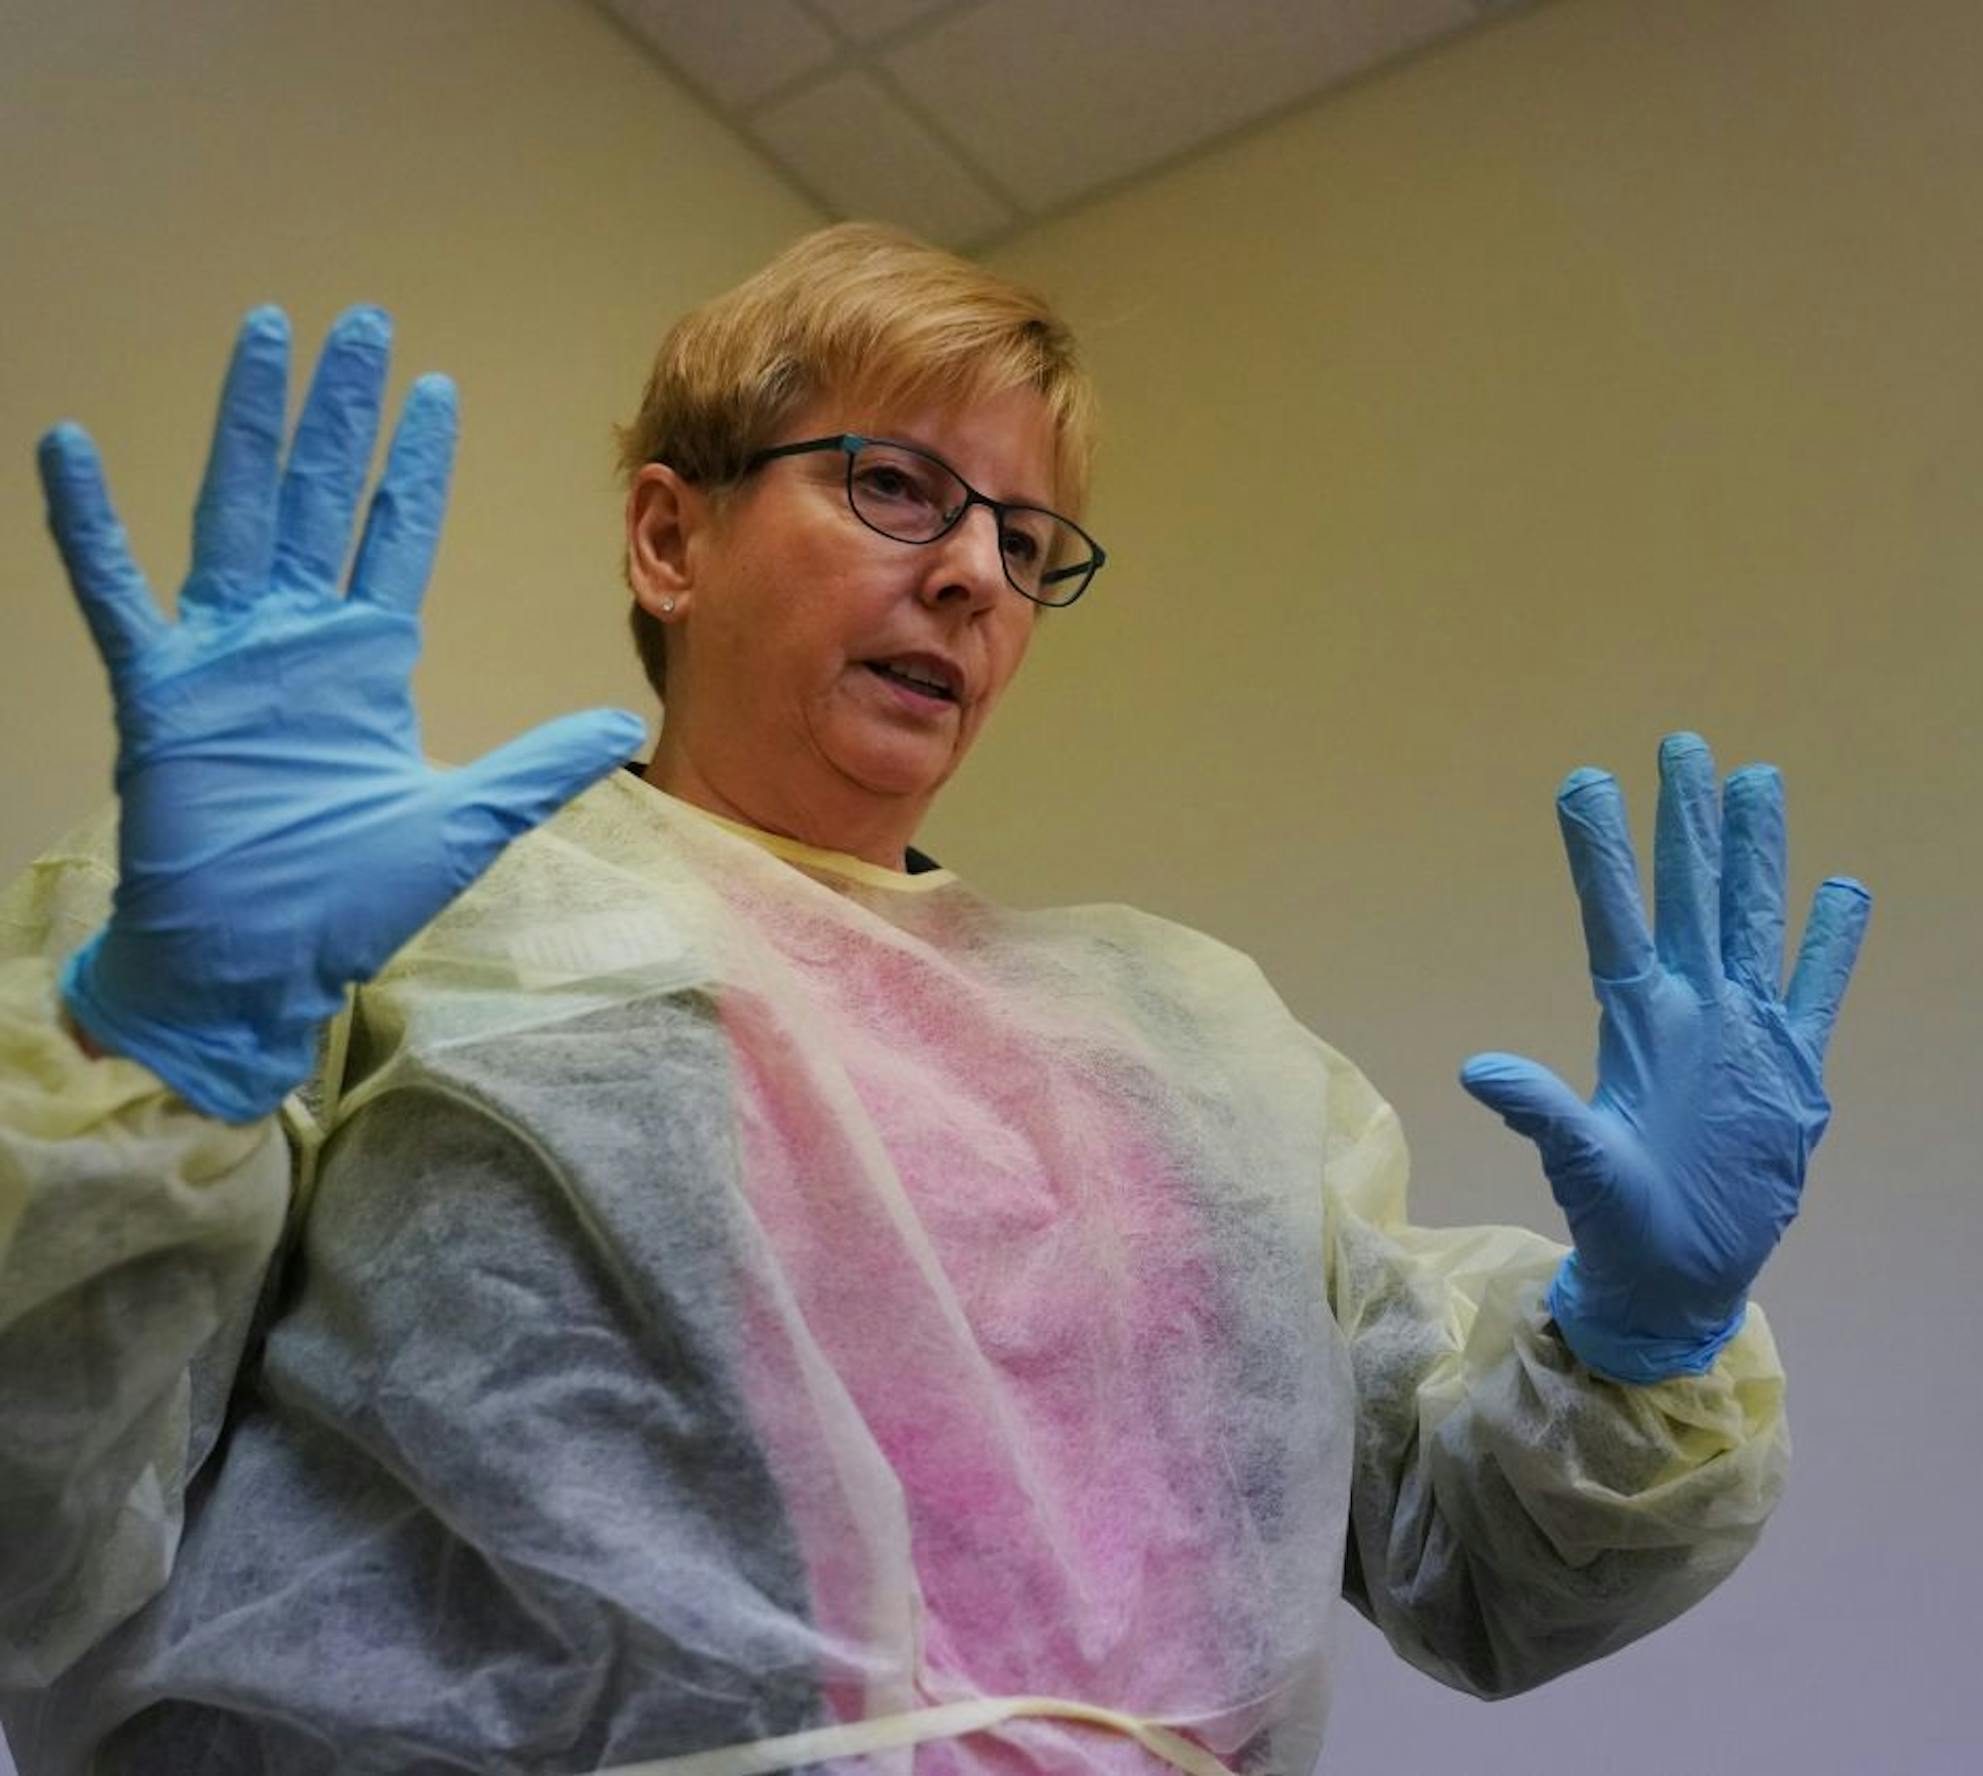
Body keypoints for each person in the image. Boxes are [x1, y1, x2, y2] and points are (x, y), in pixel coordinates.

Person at [0, 224, 1871, 1775]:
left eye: (1028, 541)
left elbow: (1481, 1575)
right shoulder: (370, 918)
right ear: (673, 538)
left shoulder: (1178, 1045)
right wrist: (154, 1058)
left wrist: (1640, 1344)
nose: (975, 570)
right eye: (897, 486)